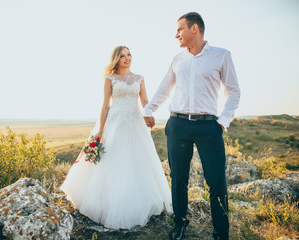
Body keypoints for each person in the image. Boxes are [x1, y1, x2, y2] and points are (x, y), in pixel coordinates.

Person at [143, 12, 240, 240]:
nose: (176, 34)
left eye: (179, 29)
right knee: (178, 178)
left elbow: (233, 92)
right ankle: (180, 224)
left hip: (209, 128)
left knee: (216, 182)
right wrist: (148, 110)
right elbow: (164, 88)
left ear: (194, 28)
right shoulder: (178, 59)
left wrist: (222, 123)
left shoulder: (221, 56)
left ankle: (220, 233)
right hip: (177, 125)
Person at [60, 46, 172, 230]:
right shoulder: (110, 79)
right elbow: (105, 106)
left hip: (135, 123)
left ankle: (141, 202)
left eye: (129, 55)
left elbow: (144, 101)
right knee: (112, 161)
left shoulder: (139, 78)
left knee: (139, 161)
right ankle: (108, 204)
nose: (127, 58)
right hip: (115, 122)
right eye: (122, 56)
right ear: (116, 59)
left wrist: (149, 114)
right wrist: (101, 131)